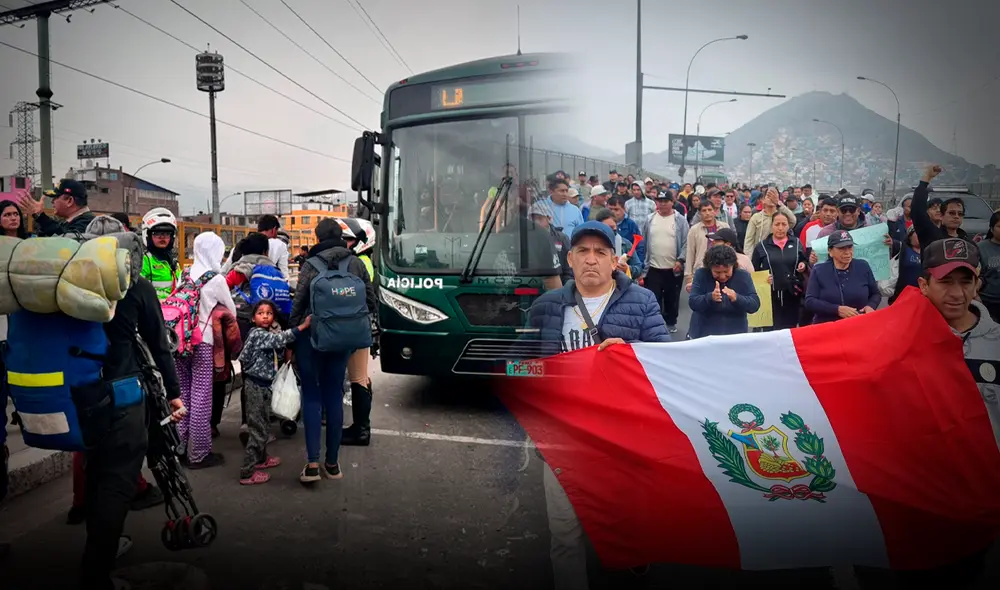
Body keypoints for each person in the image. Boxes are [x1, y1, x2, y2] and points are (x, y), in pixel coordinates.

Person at [523, 220, 668, 590]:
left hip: (622, 438)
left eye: (601, 252)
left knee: (627, 515)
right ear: (569, 259)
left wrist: (631, 355)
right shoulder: (544, 307)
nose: (591, 259)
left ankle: (634, 551)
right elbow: (521, 365)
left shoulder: (642, 301)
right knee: (564, 531)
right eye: (583, 252)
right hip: (563, 440)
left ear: (614, 261)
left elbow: (665, 361)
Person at [855, 237, 998, 590]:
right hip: (905, 498)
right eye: (945, 281)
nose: (956, 293)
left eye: (965, 281)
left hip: (973, 500)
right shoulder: (891, 336)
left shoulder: (995, 344)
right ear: (923, 284)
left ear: (977, 283)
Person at [75, 215, 186, 590]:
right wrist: (173, 394)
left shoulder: (68, 283)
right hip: (121, 394)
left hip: (78, 393)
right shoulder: (135, 285)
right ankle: (96, 573)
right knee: (117, 481)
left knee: (95, 473)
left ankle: (101, 545)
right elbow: (160, 344)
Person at [289, 218, 375, 483]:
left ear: (317, 238)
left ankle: (312, 464)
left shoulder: (310, 265)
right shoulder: (356, 263)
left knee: (312, 395)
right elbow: (370, 301)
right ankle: (333, 464)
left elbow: (298, 305)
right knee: (334, 394)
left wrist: (292, 338)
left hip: (312, 339)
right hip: (342, 341)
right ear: (341, 236)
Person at [177, 232, 236, 469]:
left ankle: (179, 446)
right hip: (203, 342)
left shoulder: (184, 273)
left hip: (180, 341)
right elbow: (230, 311)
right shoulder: (216, 279)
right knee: (202, 397)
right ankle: (200, 453)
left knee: (182, 395)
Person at [237, 301, 310, 485]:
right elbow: (279, 340)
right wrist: (301, 327)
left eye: (269, 313)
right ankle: (247, 472)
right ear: (253, 318)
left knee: (263, 425)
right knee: (258, 431)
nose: (265, 316)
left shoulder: (264, 334)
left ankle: (261, 460)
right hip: (255, 387)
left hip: (262, 386)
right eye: (260, 313)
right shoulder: (258, 334)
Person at [804, 230, 880, 324]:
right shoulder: (819, 270)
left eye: (850, 247)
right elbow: (810, 301)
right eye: (842, 248)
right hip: (828, 327)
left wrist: (871, 306)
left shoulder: (863, 266)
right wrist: (837, 310)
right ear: (830, 251)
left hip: (859, 324)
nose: (847, 252)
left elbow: (875, 294)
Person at [640, 191, 689, 334]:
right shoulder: (650, 219)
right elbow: (644, 241)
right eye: (659, 200)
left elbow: (686, 242)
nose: (662, 203)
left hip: (673, 268)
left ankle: (670, 323)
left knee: (671, 298)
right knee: (653, 298)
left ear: (672, 202)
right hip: (653, 267)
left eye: (665, 201)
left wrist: (681, 260)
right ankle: (654, 324)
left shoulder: (680, 220)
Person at [688, 245, 760, 339]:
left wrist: (737, 298)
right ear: (709, 268)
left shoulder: (743, 276)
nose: (722, 276)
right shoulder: (701, 274)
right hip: (704, 335)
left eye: (726, 271)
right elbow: (693, 302)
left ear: (733, 266)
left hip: (735, 336)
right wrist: (710, 297)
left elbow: (754, 305)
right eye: (717, 272)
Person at [751, 212, 808, 330]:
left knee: (790, 331)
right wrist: (763, 280)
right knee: (771, 331)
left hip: (792, 295)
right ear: (771, 226)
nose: (780, 228)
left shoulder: (796, 243)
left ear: (788, 226)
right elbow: (754, 271)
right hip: (771, 297)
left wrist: (804, 265)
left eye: (784, 224)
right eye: (777, 224)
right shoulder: (762, 246)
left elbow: (804, 261)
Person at [16, 179, 95, 236]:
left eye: (56, 197)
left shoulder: (88, 223)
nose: (52, 201)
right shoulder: (70, 221)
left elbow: (65, 240)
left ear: (69, 201)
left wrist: (40, 216)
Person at [139, 208, 181, 300]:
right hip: (152, 310)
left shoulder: (174, 262)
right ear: (148, 235)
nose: (162, 237)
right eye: (157, 233)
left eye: (166, 233)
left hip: (173, 310)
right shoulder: (144, 261)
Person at [977, 211, 1000, 322]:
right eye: (999, 226)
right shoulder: (981, 248)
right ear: (991, 228)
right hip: (987, 302)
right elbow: (975, 276)